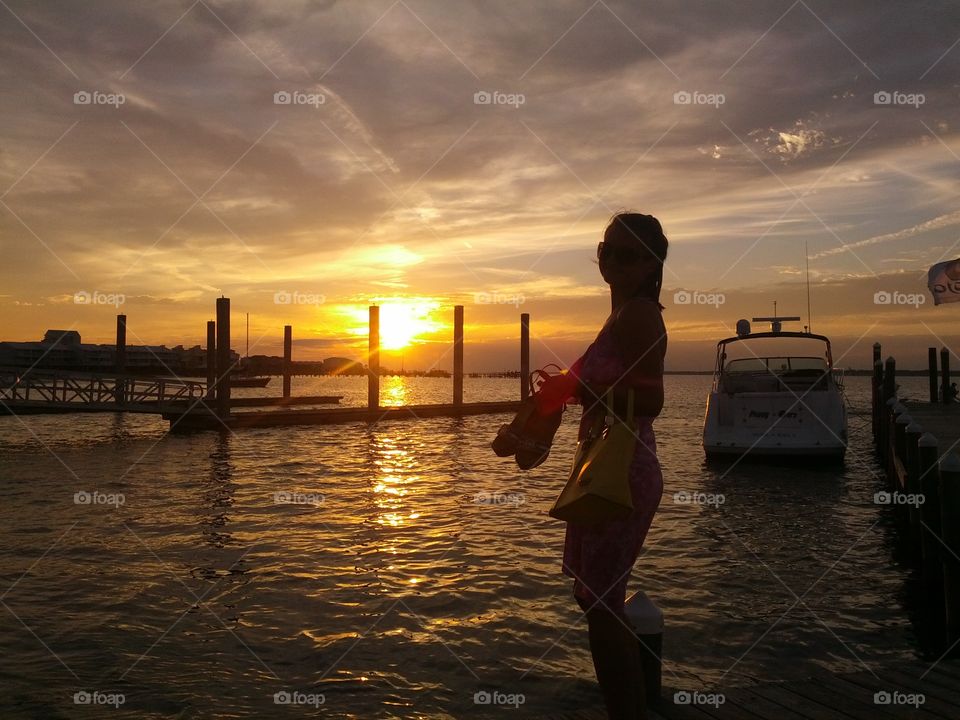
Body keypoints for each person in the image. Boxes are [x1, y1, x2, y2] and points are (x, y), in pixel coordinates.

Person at [546, 212, 668, 719]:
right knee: (593, 599)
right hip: (599, 467)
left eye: (630, 254)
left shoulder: (639, 315)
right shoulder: (615, 319)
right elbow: (572, 389)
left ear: (651, 264)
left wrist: (581, 390)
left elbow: (653, 399)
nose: (615, 261)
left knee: (601, 604)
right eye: (608, 250)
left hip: (625, 470)